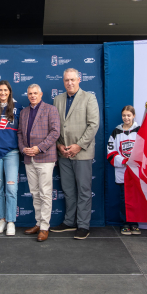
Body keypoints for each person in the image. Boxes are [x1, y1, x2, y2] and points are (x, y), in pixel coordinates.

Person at [51, 68, 99, 240]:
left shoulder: (89, 98)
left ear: (79, 79)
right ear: (63, 81)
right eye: (66, 80)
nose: (69, 83)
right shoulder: (58, 99)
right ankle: (69, 221)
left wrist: (78, 146)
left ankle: (83, 225)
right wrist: (58, 145)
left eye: (72, 79)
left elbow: (93, 125)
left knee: (84, 191)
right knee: (69, 190)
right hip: (64, 153)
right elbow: (54, 126)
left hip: (82, 153)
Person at [18, 84, 61, 242]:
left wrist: (39, 148)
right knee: (35, 193)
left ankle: (44, 227)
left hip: (45, 157)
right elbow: (20, 134)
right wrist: (24, 149)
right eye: (30, 93)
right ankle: (38, 222)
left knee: (45, 193)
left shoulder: (51, 109)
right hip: (29, 158)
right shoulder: (23, 112)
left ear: (41, 94)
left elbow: (55, 132)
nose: (33, 96)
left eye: (35, 93)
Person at [0, 80, 21, 236]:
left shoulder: (17, 109)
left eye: (5, 90)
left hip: (11, 153)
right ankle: (2, 219)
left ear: (9, 92)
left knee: (11, 188)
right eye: (0, 90)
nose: (2, 93)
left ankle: (11, 221)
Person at [107, 105, 141, 236]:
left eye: (129, 115)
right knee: (123, 198)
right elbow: (111, 151)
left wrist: (134, 161)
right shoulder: (116, 131)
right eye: (124, 115)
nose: (126, 118)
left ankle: (135, 223)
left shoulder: (139, 130)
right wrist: (124, 161)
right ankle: (125, 223)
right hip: (122, 171)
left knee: (136, 198)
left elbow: (145, 150)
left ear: (133, 116)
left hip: (136, 171)